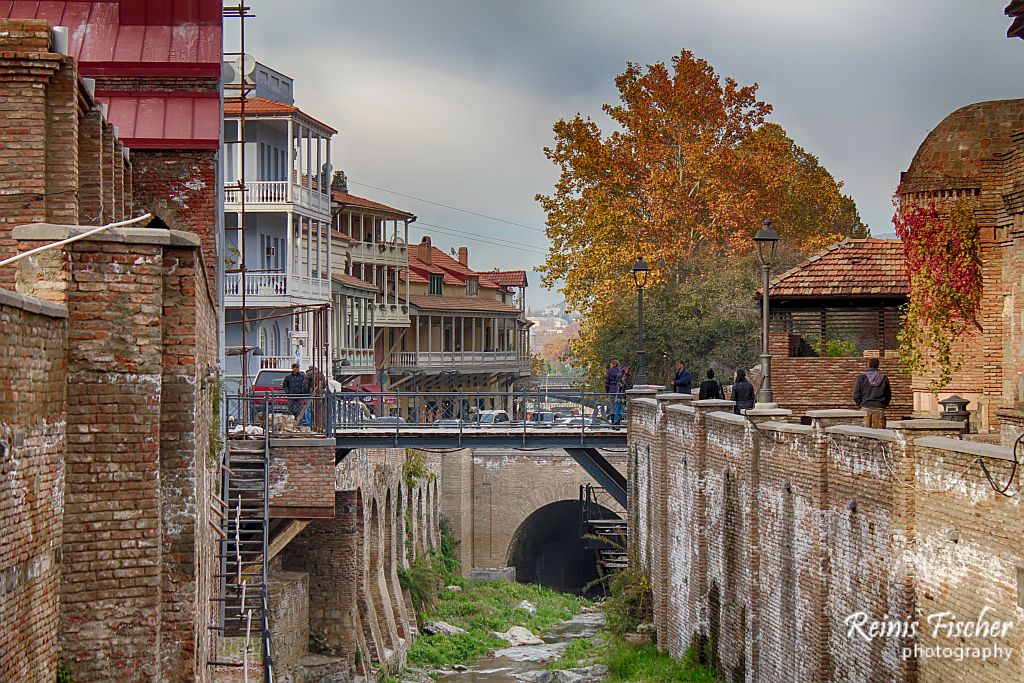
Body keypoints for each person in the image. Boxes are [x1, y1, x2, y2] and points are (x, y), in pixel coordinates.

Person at [853, 358, 892, 428]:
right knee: (880, 435)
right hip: (879, 408)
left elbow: (856, 394)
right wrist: (883, 405)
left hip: (865, 408)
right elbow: (888, 395)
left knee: (863, 434)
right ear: (878, 365)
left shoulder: (861, 378)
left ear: (869, 365)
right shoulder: (884, 378)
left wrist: (860, 404)